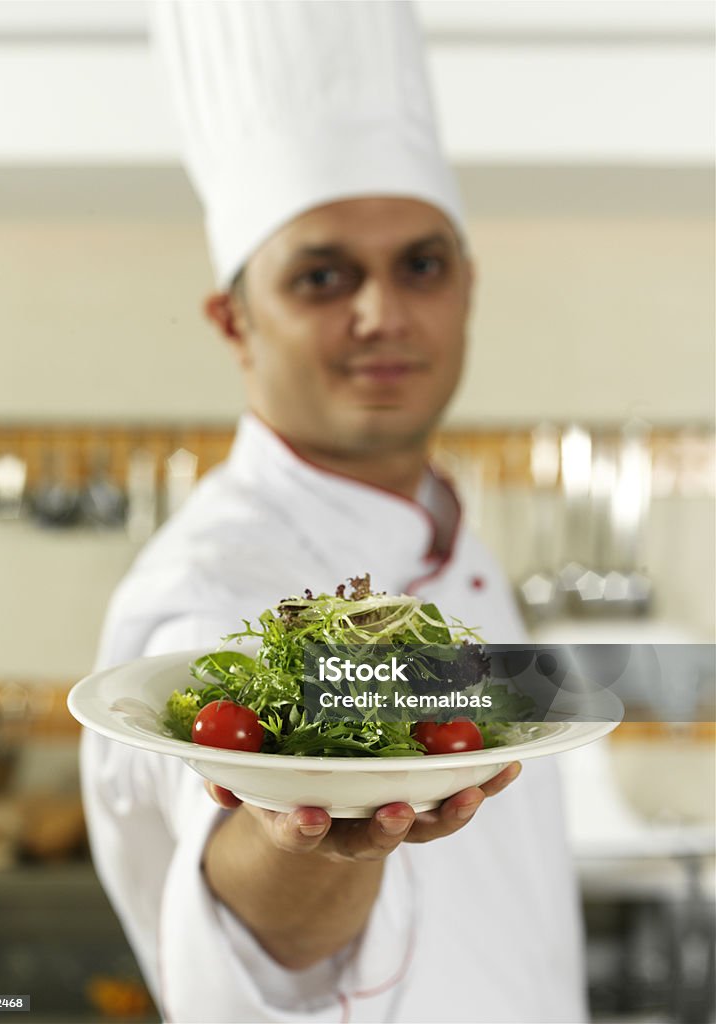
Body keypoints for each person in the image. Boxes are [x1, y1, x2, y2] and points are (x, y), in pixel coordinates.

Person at [81, 4, 586, 1022]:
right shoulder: (214, 585)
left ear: (468, 289)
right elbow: (246, 925)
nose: (382, 313)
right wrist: (297, 832)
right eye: (322, 276)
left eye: (421, 265)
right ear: (235, 320)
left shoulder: (448, 536)